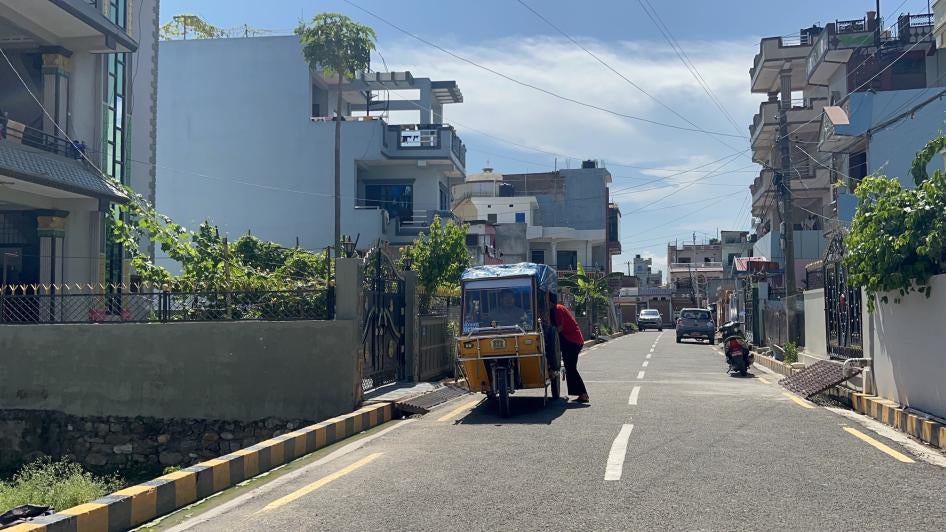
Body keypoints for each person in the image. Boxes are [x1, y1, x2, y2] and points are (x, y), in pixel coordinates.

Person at [550, 293, 588, 403]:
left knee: (571, 368)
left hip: (572, 341)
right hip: (571, 341)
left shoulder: (558, 309)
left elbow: (560, 327)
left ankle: (583, 394)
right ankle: (581, 394)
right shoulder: (557, 309)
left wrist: (551, 335)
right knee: (569, 367)